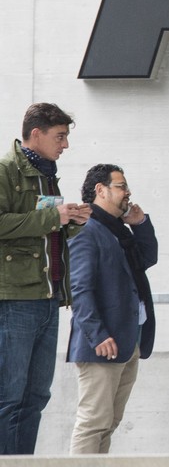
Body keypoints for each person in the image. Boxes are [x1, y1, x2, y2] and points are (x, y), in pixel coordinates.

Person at [0, 103, 93, 455]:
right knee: (9, 396)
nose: (65, 144)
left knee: (36, 396)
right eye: (60, 136)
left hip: (48, 298)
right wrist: (54, 217)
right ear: (35, 134)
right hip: (15, 299)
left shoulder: (46, 173)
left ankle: (23, 462)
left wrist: (68, 222)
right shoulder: (6, 170)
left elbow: (40, 232)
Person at [67, 163, 158, 454]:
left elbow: (146, 259)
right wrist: (98, 334)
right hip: (102, 343)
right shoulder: (86, 230)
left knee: (110, 422)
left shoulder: (119, 231)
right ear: (100, 190)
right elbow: (80, 289)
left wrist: (140, 223)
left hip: (127, 340)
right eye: (121, 186)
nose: (128, 192)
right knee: (93, 422)